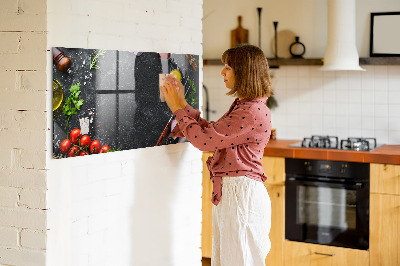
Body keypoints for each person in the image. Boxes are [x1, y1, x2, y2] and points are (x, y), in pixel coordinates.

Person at [161, 44, 273, 266]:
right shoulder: (246, 106)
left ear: (244, 72)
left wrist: (177, 109)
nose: (222, 72)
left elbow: (205, 141)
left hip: (241, 195)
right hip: (236, 193)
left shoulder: (250, 111)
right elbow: (212, 133)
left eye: (228, 67)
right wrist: (182, 104)